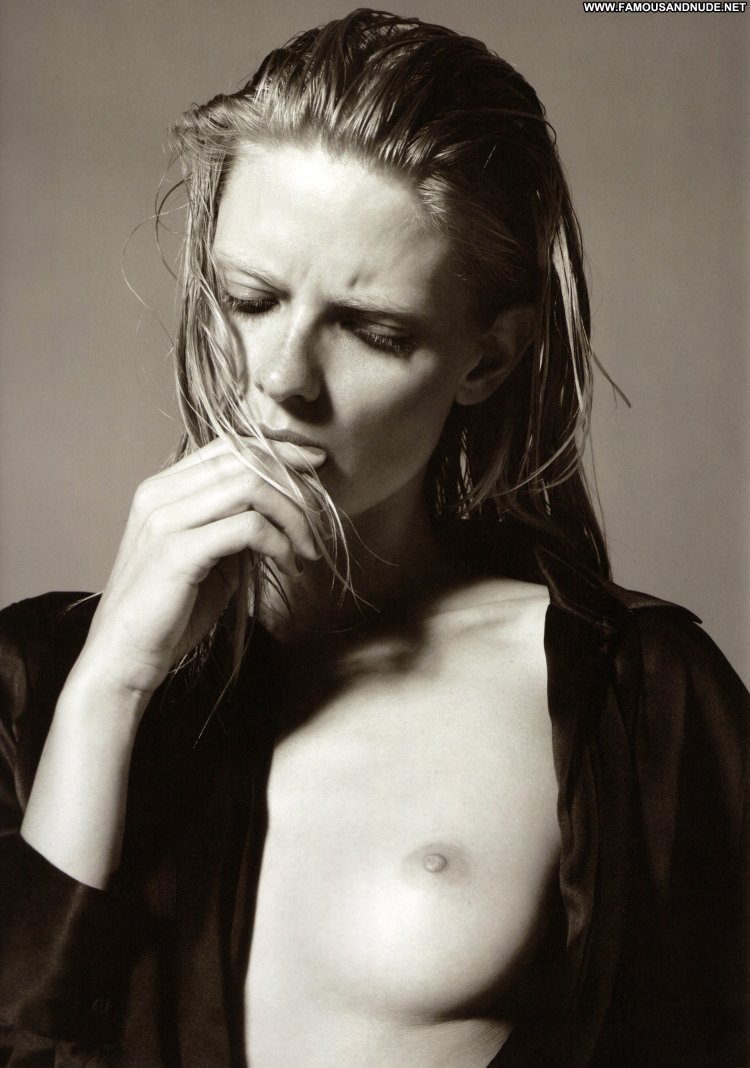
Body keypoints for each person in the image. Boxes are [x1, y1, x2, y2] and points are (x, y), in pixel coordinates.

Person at [0, 9, 747, 1067]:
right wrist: (109, 687)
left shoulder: (635, 702)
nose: (282, 378)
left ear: (488, 360)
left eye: (373, 330)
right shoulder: (32, 686)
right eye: (250, 298)